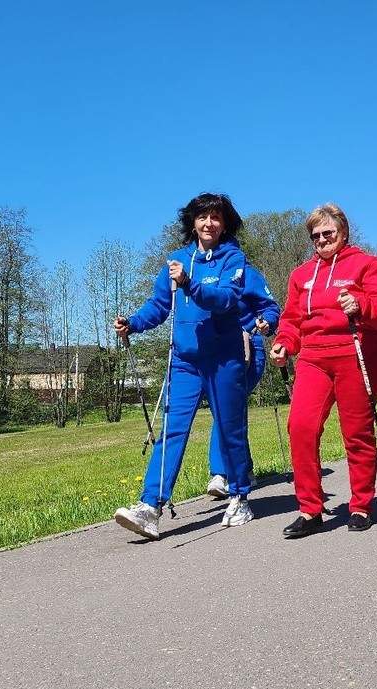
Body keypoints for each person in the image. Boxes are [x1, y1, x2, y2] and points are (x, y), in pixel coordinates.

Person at [113, 192, 251, 539]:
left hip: (223, 359)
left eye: (216, 218)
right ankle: (150, 507)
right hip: (185, 361)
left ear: (224, 224)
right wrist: (132, 322)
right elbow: (158, 306)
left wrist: (190, 285)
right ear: (193, 221)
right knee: (172, 430)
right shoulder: (176, 260)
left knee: (229, 429)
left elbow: (225, 300)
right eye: (203, 217)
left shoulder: (232, 257)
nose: (209, 224)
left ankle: (239, 496)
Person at [270, 203, 377, 538]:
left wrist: (361, 304)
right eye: (316, 236)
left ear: (344, 232)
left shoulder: (368, 264)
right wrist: (284, 342)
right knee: (301, 426)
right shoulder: (300, 275)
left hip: (357, 353)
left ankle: (360, 505)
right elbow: (293, 320)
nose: (322, 240)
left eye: (328, 233)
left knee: (356, 432)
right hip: (314, 357)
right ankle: (310, 510)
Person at [206, 264, 281, 498]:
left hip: (246, 348)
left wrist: (266, 323)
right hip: (213, 350)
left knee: (225, 408)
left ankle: (221, 473)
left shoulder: (246, 272)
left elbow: (270, 307)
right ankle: (244, 469)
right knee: (230, 409)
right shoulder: (201, 273)